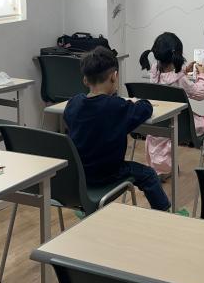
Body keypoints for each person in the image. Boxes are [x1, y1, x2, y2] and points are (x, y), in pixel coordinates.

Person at [65, 46, 172, 211]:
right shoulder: (117, 107)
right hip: (109, 172)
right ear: (114, 76)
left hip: (79, 174)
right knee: (149, 175)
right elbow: (145, 108)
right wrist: (138, 101)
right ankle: (165, 214)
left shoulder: (74, 103)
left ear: (85, 80)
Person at [139, 32, 204, 178]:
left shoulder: (154, 72)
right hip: (182, 127)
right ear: (177, 55)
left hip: (159, 125)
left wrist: (183, 71)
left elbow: (170, 78)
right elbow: (201, 94)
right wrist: (203, 75)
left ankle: (163, 169)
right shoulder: (180, 80)